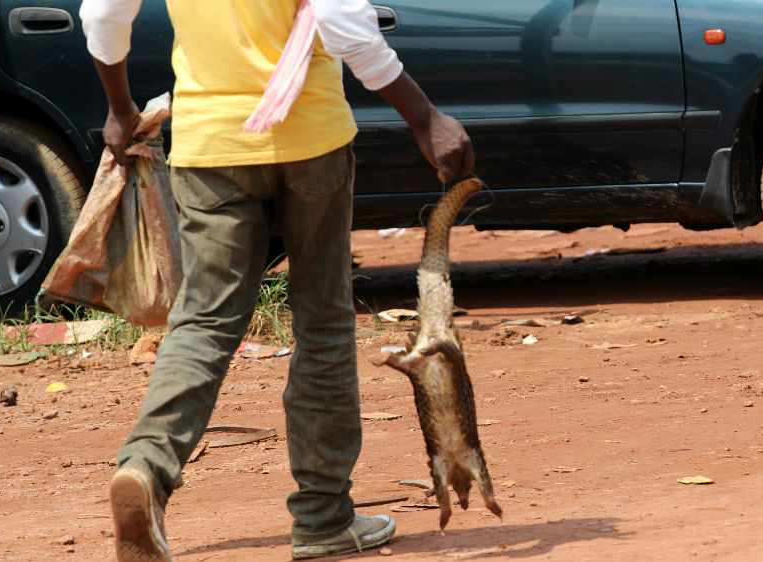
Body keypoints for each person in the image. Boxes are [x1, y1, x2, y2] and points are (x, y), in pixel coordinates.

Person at [78, 1, 474, 560]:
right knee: (324, 322)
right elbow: (342, 23)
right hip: (311, 140)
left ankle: (146, 466)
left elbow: (101, 13)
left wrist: (120, 107)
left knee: (204, 323)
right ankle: (322, 519)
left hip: (211, 146)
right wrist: (424, 116)